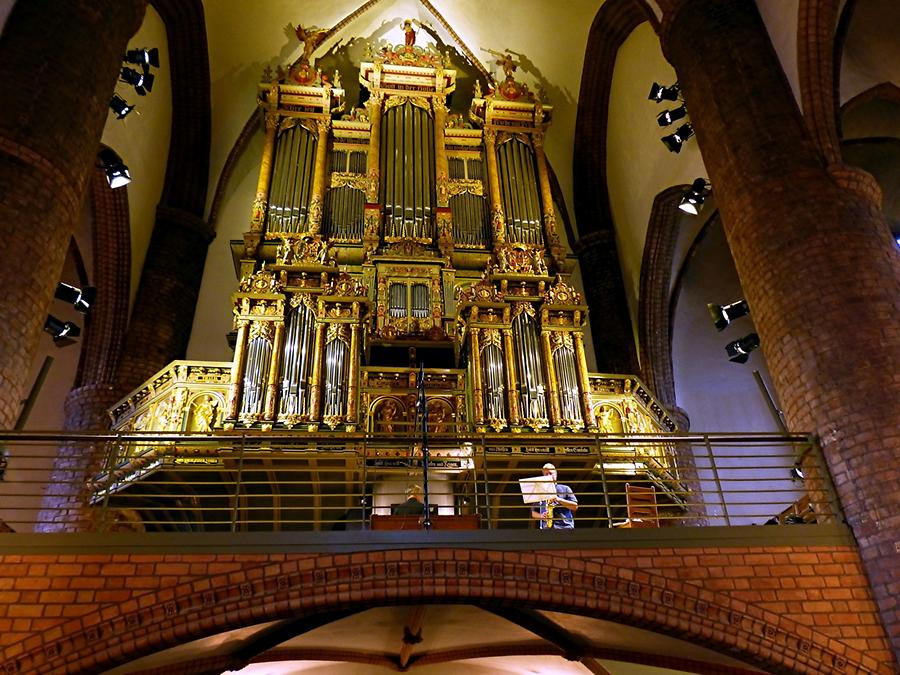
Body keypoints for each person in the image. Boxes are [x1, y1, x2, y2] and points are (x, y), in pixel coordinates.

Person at [531, 463, 577, 529]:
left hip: (565, 528)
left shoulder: (565, 488)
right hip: (546, 530)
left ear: (556, 474)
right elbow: (533, 513)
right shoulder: (540, 492)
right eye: (546, 474)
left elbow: (575, 507)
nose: (549, 476)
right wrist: (541, 516)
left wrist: (558, 499)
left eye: (550, 473)